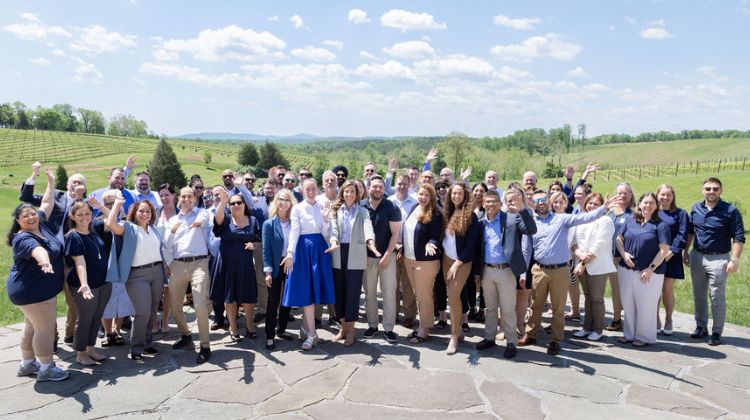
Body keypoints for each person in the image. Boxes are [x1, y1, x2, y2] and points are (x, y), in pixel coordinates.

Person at [519, 189, 621, 355]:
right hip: (539, 270)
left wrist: (604, 208)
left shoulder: (562, 219)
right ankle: (530, 334)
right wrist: (523, 274)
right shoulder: (531, 223)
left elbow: (585, 217)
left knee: (558, 309)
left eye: (543, 199)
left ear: (548, 201)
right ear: (532, 204)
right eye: (537, 201)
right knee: (536, 305)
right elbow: (526, 250)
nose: (541, 203)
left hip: (560, 270)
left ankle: (555, 340)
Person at [7, 168, 70, 382]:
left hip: (29, 290)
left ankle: (27, 364)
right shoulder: (23, 238)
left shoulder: (40, 224)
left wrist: (51, 183)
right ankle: (46, 368)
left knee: (31, 326)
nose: (32, 216)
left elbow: (47, 204)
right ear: (18, 221)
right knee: (45, 328)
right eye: (26, 216)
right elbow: (38, 250)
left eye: (32, 213)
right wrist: (45, 262)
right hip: (34, 291)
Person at [19, 162, 87, 346]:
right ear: (67, 185)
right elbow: (25, 197)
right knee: (48, 300)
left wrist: (79, 200)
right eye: (73, 182)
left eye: (80, 183)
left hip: (69, 260)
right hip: (48, 256)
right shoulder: (55, 196)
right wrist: (34, 175)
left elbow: (84, 225)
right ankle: (52, 337)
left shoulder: (86, 206)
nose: (76, 186)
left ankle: (70, 333)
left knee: (73, 300)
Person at [474, 187, 536, 358]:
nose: (491, 204)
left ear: (500, 204)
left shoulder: (511, 218)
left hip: (506, 271)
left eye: (494, 201)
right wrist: (477, 274)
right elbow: (478, 249)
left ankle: (511, 342)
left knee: (508, 308)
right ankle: (489, 337)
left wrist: (523, 209)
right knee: (491, 308)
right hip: (487, 270)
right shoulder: (480, 222)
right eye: (488, 202)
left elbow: (531, 230)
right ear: (483, 204)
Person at [105, 198, 167, 361]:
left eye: (148, 211)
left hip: (157, 272)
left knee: (152, 311)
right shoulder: (128, 227)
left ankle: (147, 343)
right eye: (141, 211)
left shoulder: (154, 229)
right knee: (142, 312)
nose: (144, 214)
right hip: (137, 275)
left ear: (152, 214)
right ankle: (136, 347)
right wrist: (117, 204)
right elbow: (111, 224)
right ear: (135, 213)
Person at [686, 177, 745, 346]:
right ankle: (701, 326)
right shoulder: (695, 208)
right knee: (699, 295)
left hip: (719, 258)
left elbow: (739, 237)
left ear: (721, 191)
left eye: (715, 189)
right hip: (697, 256)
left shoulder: (730, 210)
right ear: (702, 190)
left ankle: (717, 331)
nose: (711, 192)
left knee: (717, 296)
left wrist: (734, 260)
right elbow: (691, 232)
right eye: (708, 188)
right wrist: (685, 252)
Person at [281, 178, 336, 351]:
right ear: (302, 191)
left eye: (313, 188)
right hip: (303, 251)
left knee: (313, 290)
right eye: (307, 189)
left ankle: (307, 329)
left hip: (319, 249)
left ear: (317, 189)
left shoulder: (323, 206)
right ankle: (312, 333)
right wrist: (290, 253)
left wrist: (326, 220)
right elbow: (294, 232)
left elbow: (326, 234)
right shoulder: (297, 208)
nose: (311, 191)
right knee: (306, 290)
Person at [164, 187, 213, 361]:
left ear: (194, 198)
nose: (186, 199)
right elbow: (166, 246)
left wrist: (196, 222)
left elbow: (204, 220)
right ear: (179, 198)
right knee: (175, 307)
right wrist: (172, 232)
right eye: (183, 196)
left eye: (190, 196)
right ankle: (186, 335)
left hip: (199, 263)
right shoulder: (173, 220)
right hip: (177, 265)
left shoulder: (202, 213)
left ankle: (205, 345)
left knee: (200, 304)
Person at [329, 180, 380, 346]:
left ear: (357, 194)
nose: (349, 194)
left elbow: (368, 227)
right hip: (338, 253)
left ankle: (351, 330)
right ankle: (343, 327)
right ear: (342, 193)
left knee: (352, 294)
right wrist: (334, 241)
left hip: (355, 256)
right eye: (346, 191)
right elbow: (333, 229)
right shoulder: (336, 210)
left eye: (352, 191)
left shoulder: (362, 211)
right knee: (339, 295)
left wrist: (370, 242)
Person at [615, 192, 670, 347]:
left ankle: (644, 336)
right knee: (628, 302)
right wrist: (624, 254)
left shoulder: (661, 225)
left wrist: (650, 268)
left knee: (646, 305)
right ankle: (629, 334)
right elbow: (619, 239)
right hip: (626, 269)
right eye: (645, 202)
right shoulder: (630, 220)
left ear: (656, 206)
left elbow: (664, 250)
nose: (648, 206)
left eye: (651, 203)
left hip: (648, 272)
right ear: (639, 204)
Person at [64, 201, 112, 366]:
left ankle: (91, 348)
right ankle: (81, 352)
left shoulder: (94, 230)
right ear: (73, 217)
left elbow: (111, 218)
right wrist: (84, 284)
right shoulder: (73, 236)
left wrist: (100, 205)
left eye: (87, 213)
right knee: (85, 318)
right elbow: (79, 262)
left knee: (97, 316)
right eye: (80, 214)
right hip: (84, 285)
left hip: (102, 282)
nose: (84, 217)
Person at [212, 190, 260, 344]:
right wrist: (223, 202)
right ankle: (233, 327)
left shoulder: (253, 221)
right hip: (226, 262)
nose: (236, 205)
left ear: (245, 204)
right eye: (232, 203)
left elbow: (258, 239)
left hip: (245, 263)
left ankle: (250, 325)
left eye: (239, 202)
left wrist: (254, 244)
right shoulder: (225, 219)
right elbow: (217, 219)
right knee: (229, 296)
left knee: (248, 295)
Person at [398, 183, 442, 344]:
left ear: (432, 197)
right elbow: (408, 231)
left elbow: (435, 235)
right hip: (409, 259)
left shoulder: (435, 214)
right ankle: (423, 324)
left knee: (424, 296)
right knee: (419, 295)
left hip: (425, 262)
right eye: (421, 194)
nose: (422, 197)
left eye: (426, 195)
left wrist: (431, 243)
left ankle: (425, 329)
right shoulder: (415, 207)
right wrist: (402, 247)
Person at [570, 193, 616, 341]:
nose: (592, 206)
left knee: (596, 298)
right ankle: (587, 327)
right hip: (582, 264)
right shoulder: (582, 219)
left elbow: (600, 245)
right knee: (588, 296)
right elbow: (574, 242)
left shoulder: (605, 220)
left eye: (596, 204)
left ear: (602, 206)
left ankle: (598, 329)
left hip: (597, 265)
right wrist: (579, 254)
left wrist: (583, 262)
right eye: (590, 203)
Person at [362, 175, 402, 343]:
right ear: (368, 188)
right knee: (370, 293)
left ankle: (388, 328)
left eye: (380, 186)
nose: (377, 189)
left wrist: (386, 255)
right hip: (366, 258)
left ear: (384, 188)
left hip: (388, 257)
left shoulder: (392, 207)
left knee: (388, 293)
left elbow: (395, 234)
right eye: (374, 186)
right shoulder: (361, 206)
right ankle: (372, 325)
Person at [441, 183, 480, 355]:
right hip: (446, 260)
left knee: (453, 296)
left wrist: (458, 262)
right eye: (453, 193)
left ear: (465, 195)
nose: (456, 196)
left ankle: (454, 337)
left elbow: (472, 245)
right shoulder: (447, 213)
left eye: (459, 193)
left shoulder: (471, 216)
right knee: (452, 297)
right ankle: (460, 331)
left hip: (462, 262)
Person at [262, 189, 296, 350]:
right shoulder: (269, 224)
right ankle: (269, 335)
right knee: (273, 300)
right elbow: (266, 249)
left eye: (287, 200)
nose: (283, 202)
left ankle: (281, 329)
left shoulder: (295, 222)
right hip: (275, 265)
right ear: (276, 201)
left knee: (287, 299)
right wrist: (268, 271)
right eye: (281, 199)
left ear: (291, 203)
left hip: (291, 264)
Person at [655, 184, 689, 336]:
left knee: (667, 290)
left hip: (671, 257)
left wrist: (672, 251)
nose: (665, 197)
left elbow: (683, 235)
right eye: (662, 194)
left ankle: (669, 319)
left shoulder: (681, 214)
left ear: (673, 196)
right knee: (653, 290)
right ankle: (655, 319)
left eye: (668, 195)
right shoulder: (652, 212)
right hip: (653, 257)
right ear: (657, 195)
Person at [389, 174, 419, 329]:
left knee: (408, 285)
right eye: (399, 183)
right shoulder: (388, 202)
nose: (402, 186)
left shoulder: (415, 203)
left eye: (405, 184)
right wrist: (394, 246)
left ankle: (409, 316)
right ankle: (393, 313)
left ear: (409, 184)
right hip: (391, 249)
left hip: (408, 250)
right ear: (395, 184)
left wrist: (404, 246)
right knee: (392, 284)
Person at [606, 182, 636, 332]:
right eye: (620, 193)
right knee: (616, 289)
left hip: (627, 257)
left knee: (629, 289)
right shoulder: (610, 212)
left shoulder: (635, 213)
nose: (623, 195)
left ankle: (632, 320)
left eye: (626, 192)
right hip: (611, 257)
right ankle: (617, 318)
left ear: (631, 195)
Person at [154, 183, 177, 334]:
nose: (164, 198)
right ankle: (154, 319)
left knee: (168, 289)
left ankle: (166, 318)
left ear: (174, 195)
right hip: (155, 256)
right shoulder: (155, 212)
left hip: (174, 256)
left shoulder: (180, 213)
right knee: (155, 289)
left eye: (167, 195)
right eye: (161, 195)